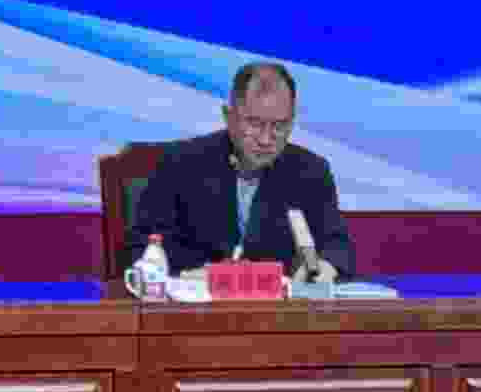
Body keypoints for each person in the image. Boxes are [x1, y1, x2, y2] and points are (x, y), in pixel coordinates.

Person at [124, 63, 359, 281]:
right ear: (229, 117)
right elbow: (143, 246)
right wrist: (189, 273)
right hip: (197, 302)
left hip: (278, 307)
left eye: (279, 126)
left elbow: (337, 246)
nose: (266, 139)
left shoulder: (311, 171)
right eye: (254, 124)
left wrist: (325, 267)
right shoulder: (180, 163)